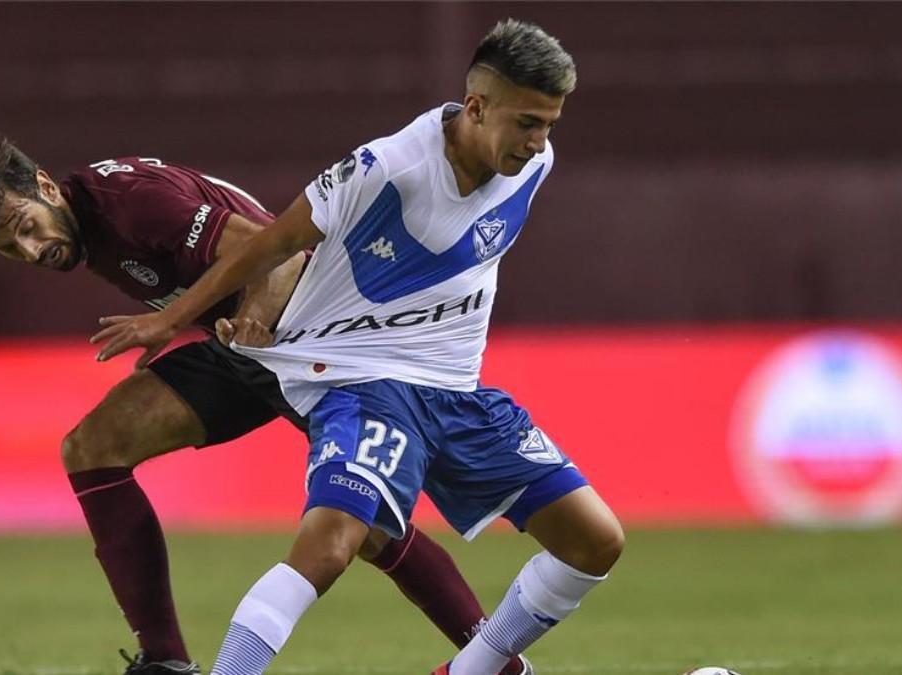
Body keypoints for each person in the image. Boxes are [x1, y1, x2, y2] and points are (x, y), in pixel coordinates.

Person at [90, 18, 625, 675]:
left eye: (550, 122)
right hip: (363, 383)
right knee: (329, 547)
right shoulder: (389, 167)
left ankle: (471, 670)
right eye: (526, 121)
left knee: (596, 541)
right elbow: (273, 241)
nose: (538, 141)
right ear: (478, 106)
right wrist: (173, 315)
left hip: (457, 391)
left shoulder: (535, 162)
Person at [0, 137, 533, 675]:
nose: (31, 247)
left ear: (44, 186)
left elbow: (278, 252)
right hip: (240, 350)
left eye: (25, 225)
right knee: (93, 447)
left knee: (370, 527)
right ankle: (165, 661)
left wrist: (246, 321)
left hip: (313, 341)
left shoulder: (129, 203)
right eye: (10, 248)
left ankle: (498, 666)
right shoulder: (89, 228)